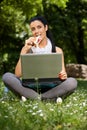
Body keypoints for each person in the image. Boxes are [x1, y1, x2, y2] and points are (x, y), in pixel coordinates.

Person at [2, 15, 77, 101]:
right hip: (30, 87)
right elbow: (17, 75)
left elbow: (63, 75)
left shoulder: (57, 50)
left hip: (51, 88)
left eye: (39, 27)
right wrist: (24, 50)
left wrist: (63, 75)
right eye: (33, 29)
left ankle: (35, 98)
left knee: (72, 82)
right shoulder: (28, 49)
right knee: (7, 76)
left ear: (46, 28)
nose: (36, 31)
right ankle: (46, 99)